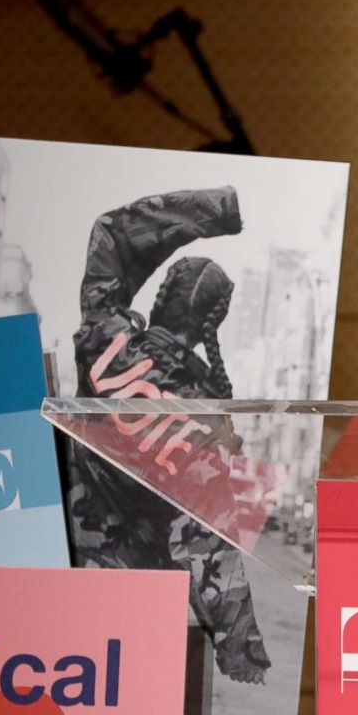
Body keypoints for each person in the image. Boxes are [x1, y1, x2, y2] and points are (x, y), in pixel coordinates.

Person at [67, 186, 272, 685]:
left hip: (61, 562)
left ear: (161, 296)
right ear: (211, 322)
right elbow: (206, 541)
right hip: (131, 612)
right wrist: (240, 650)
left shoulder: (105, 335)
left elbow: (113, 235)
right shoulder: (203, 419)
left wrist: (213, 212)